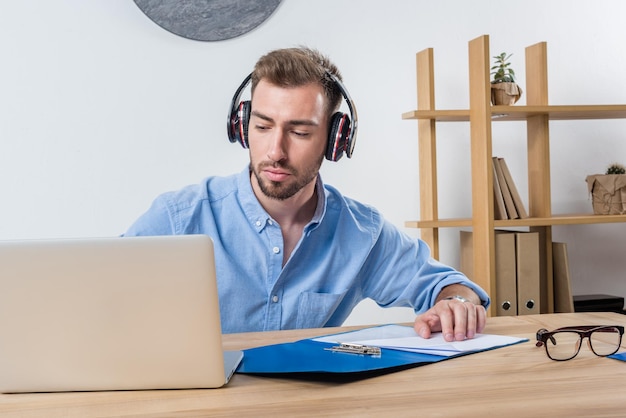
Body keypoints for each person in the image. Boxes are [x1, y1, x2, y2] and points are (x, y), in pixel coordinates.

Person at [124, 47, 490, 341]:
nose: (275, 151)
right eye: (263, 126)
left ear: (335, 140)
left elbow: (449, 286)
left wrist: (455, 304)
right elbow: (100, 293)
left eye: (299, 133)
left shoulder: (361, 232)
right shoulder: (180, 217)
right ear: (242, 126)